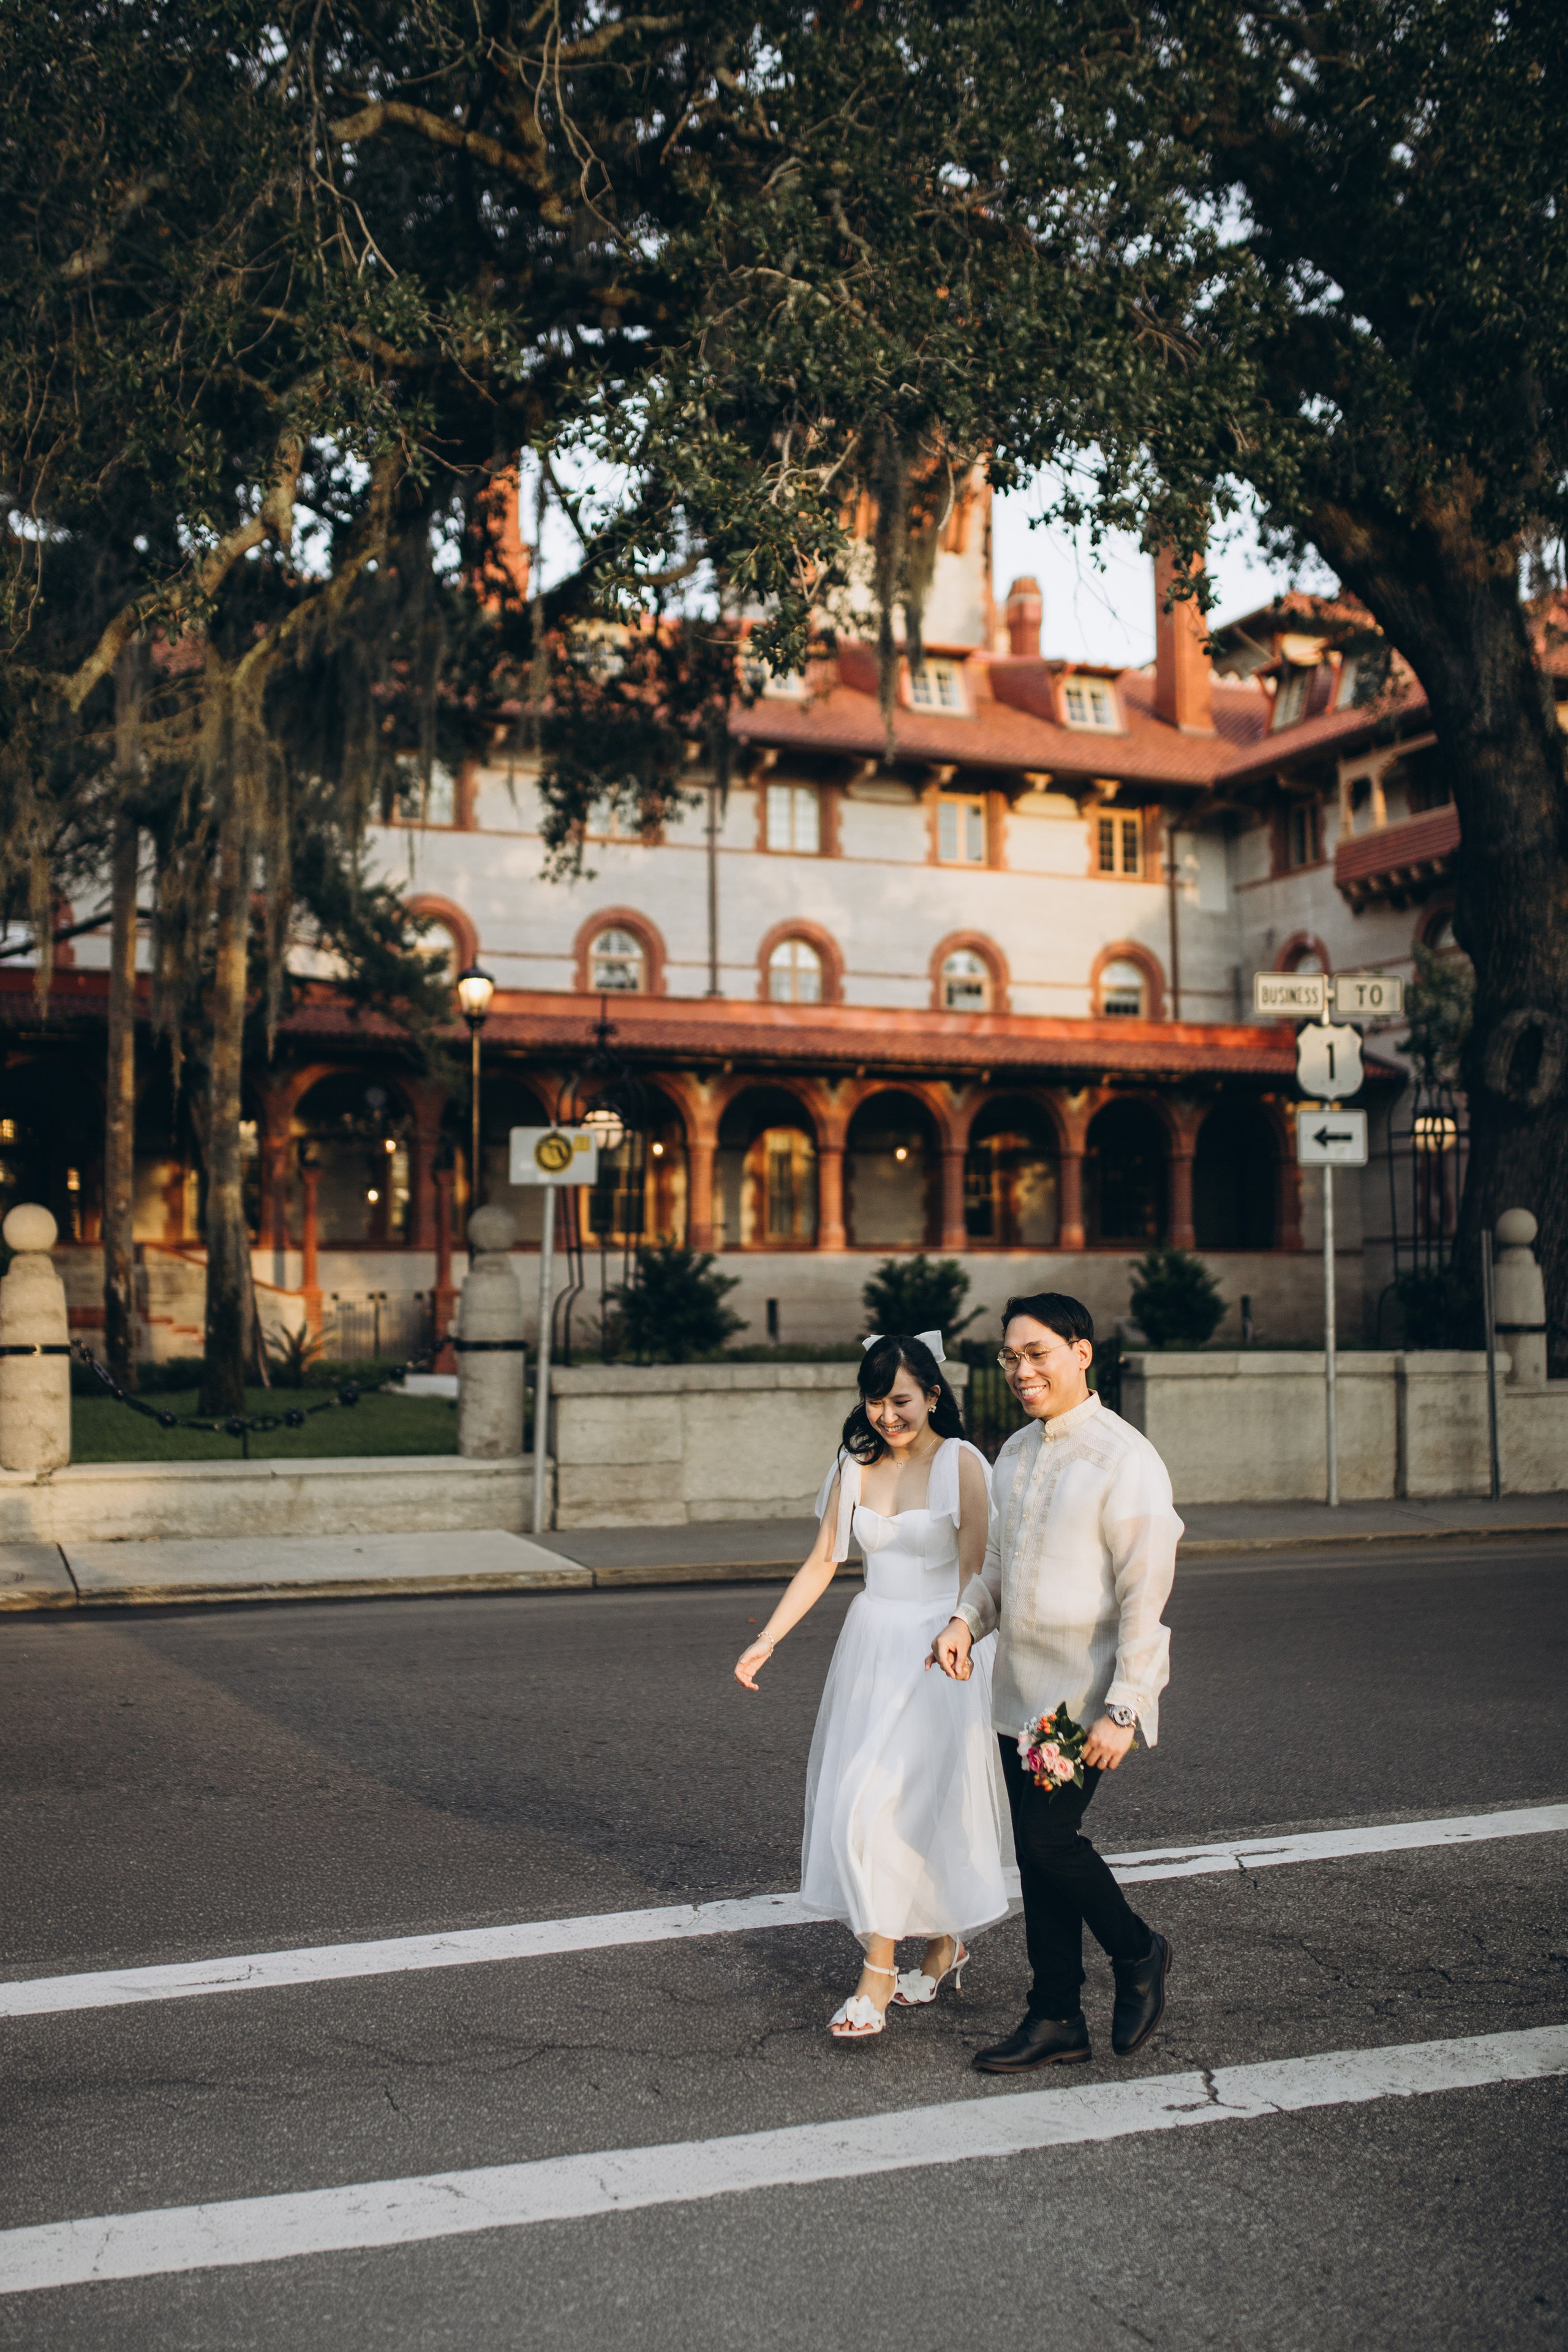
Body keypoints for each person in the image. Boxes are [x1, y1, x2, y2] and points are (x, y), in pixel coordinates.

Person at [734, 1331, 1010, 2040]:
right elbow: (824, 1561)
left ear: (933, 1397)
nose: (887, 1415)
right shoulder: (853, 1465)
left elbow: (977, 1575)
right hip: (870, 1649)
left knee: (906, 1810)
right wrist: (767, 1639)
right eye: (876, 1400)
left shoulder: (962, 1464)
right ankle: (939, 1946)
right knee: (865, 1804)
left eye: (901, 1400)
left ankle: (878, 1975)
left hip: (940, 1652)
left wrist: (960, 1643)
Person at [931, 1291, 1180, 2071]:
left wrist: (1126, 1707)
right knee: (1038, 1857)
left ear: (1082, 1352)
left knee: (1050, 1842)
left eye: (1037, 1353)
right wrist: (965, 1623)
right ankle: (1056, 2016)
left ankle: (1138, 1952)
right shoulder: (1016, 1452)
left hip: (1080, 1700)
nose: (1020, 1370)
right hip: (1017, 1692)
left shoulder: (1123, 1459)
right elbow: (998, 1568)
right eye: (1010, 1357)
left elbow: (1147, 1595)